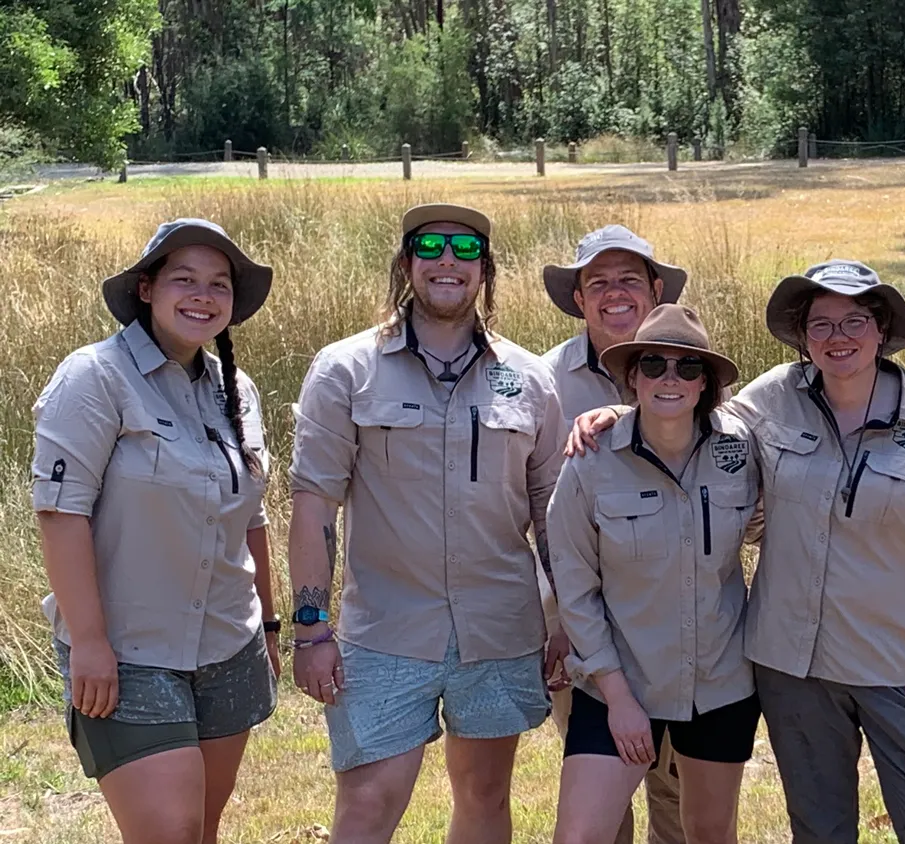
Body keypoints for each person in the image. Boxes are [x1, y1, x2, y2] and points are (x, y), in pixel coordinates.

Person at [569, 259, 905, 844]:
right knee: (819, 833)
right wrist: (619, 414)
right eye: (820, 324)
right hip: (792, 669)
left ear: (880, 329)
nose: (837, 338)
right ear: (802, 337)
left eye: (853, 322)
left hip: (897, 667)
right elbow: (689, 415)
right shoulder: (772, 398)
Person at [287, 204, 565, 843]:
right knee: (367, 805)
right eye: (431, 246)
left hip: (499, 629)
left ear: (485, 270)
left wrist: (570, 620)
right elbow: (313, 507)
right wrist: (310, 628)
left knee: (486, 797)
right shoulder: (346, 368)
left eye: (465, 250)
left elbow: (551, 514)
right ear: (407, 263)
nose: (447, 260)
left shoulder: (528, 378)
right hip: (386, 630)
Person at [32, 218, 280, 844]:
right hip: (131, 651)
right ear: (146, 289)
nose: (203, 295)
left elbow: (250, 517)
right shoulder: (95, 377)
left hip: (229, 642)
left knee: (201, 827)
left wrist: (270, 628)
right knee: (168, 831)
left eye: (218, 284)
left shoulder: (237, 390)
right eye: (185, 280)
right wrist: (89, 642)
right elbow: (61, 514)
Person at [549, 304, 759, 844]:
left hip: (718, 683)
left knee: (709, 832)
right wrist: (618, 699)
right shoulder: (589, 461)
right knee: (579, 837)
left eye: (687, 368)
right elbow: (576, 590)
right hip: (620, 682)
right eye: (654, 364)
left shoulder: (744, 446)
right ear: (632, 376)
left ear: (707, 383)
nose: (671, 378)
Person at [541, 226, 690, 844]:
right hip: (580, 624)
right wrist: (550, 619)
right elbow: (528, 508)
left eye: (630, 279)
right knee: (601, 786)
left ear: (656, 289)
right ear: (578, 298)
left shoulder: (693, 368)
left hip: (680, 622)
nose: (614, 294)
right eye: (597, 283)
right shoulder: (541, 380)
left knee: (677, 792)